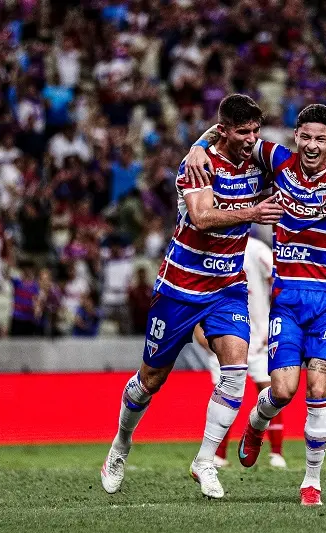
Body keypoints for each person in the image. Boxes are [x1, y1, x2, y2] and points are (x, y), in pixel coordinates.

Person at [184, 103, 326, 506]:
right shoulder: (277, 159)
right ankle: (257, 424)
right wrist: (196, 148)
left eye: (321, 139)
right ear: (296, 136)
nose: (312, 145)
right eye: (305, 136)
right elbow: (227, 133)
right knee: (283, 390)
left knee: (318, 386)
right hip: (288, 298)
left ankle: (311, 482)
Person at [100, 94, 285, 499]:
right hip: (180, 288)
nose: (251, 139)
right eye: (243, 131)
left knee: (235, 369)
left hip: (227, 288)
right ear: (224, 131)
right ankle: (121, 445)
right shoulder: (198, 164)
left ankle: (204, 461)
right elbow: (201, 218)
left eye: (255, 131)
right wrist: (251, 212)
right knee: (150, 380)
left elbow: (305, 178)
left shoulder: (258, 161)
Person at [195, 235, 326, 469]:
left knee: (275, 390)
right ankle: (217, 455)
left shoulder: (255, 249)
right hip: (224, 334)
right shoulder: (210, 249)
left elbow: (279, 274)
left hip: (260, 334)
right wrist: (201, 331)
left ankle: (275, 451)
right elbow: (199, 294)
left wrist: (277, 319)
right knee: (227, 391)